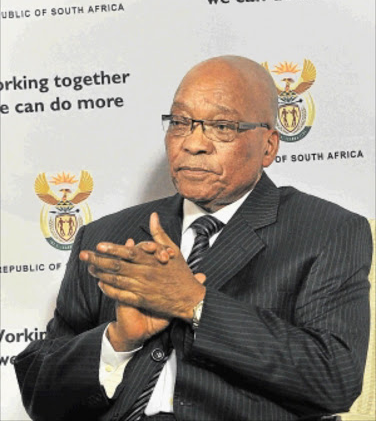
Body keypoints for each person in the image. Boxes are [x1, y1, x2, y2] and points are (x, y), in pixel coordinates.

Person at [15, 56, 372, 421]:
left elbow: (334, 380)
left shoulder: (326, 231)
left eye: (222, 126)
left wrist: (195, 304)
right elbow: (40, 394)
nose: (193, 143)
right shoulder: (106, 237)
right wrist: (117, 341)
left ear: (268, 146)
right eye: (181, 123)